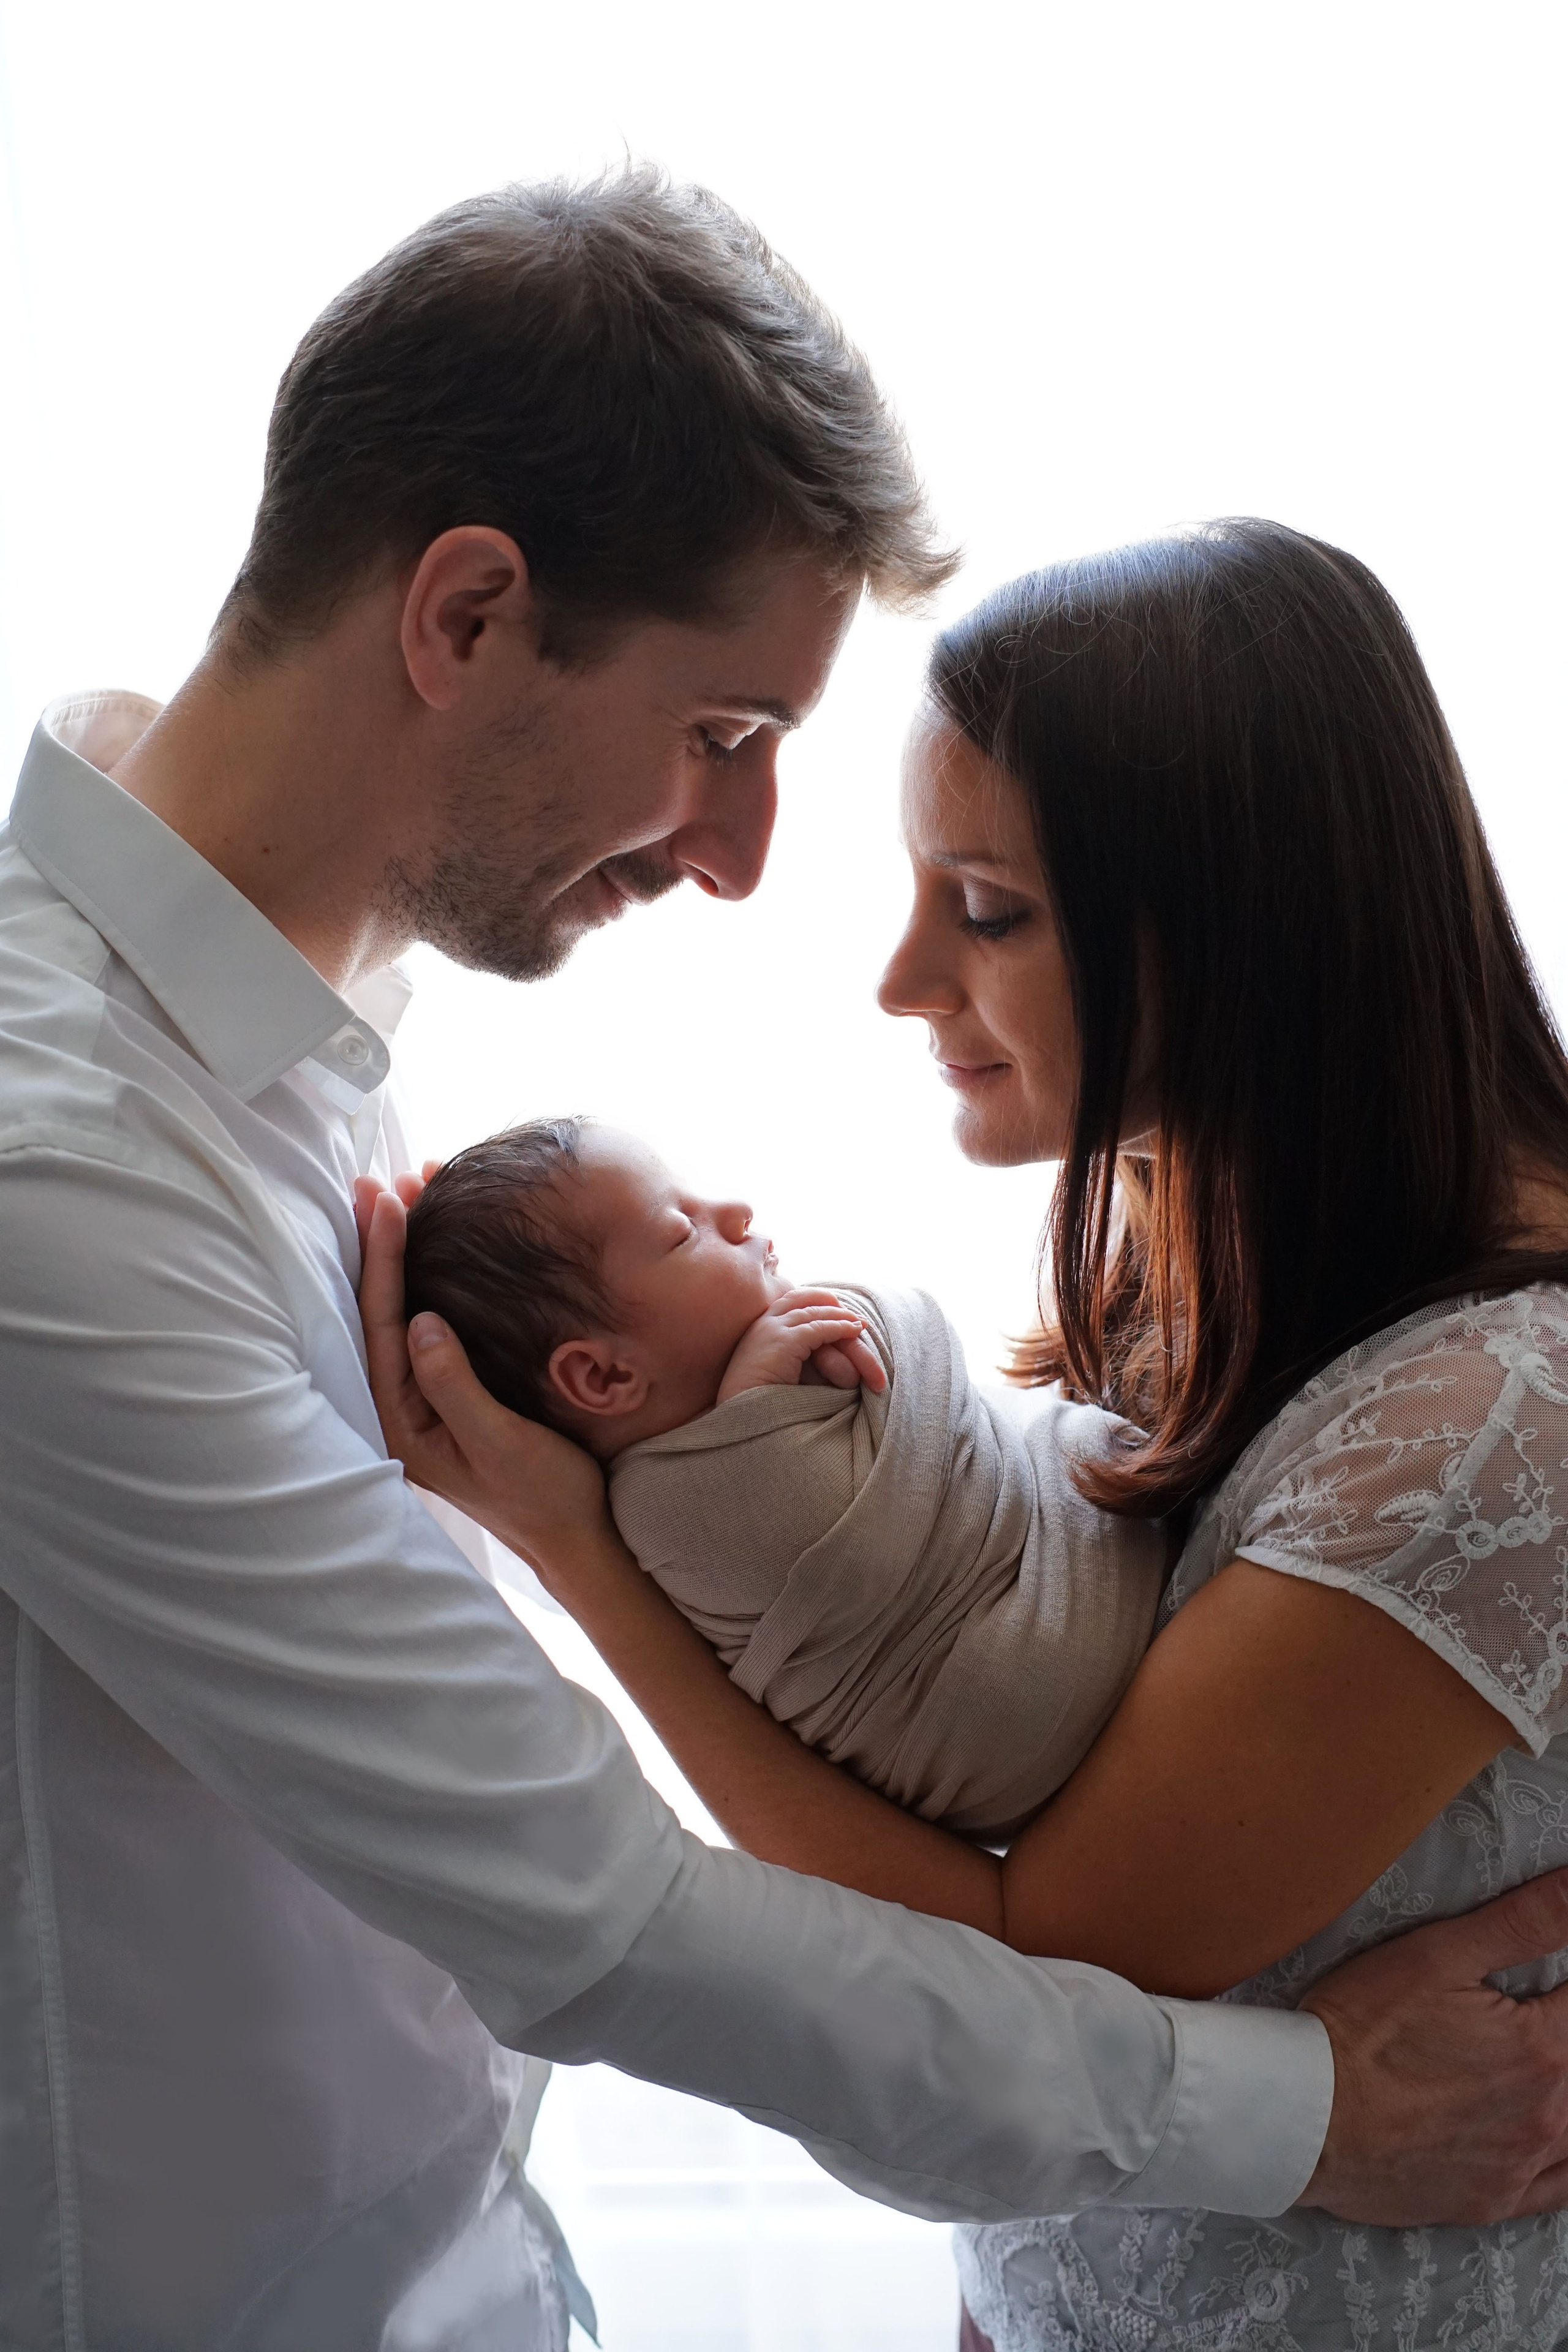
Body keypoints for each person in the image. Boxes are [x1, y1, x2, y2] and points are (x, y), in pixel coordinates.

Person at [3, 168, 1568, 2351]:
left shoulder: (314, 1072)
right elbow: (598, 1906)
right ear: (462, 616)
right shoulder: (57, 1184)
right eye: (721, 733)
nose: (746, 864)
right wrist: (1303, 2113)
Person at [384, 518, 1568, 2346]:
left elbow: (1009, 1969)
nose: (901, 977)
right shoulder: (1210, 1233)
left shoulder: (1488, 1420)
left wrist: (586, 1558)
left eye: (988, 909)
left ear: (1243, 939)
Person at [401, 1115, 1166, 1838]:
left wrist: (789, 1395)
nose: (735, 1210)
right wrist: (791, 1382)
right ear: (601, 1377)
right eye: (679, 1232)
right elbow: (910, 1331)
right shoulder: (666, 1516)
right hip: (1028, 1698)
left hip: (1042, 1730)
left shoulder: (706, 1475)